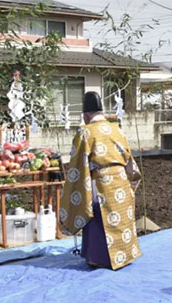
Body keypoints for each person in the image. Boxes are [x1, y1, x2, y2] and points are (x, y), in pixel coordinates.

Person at [59, 91, 142, 270]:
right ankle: (125, 255)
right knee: (121, 218)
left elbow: (77, 164)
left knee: (97, 215)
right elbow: (129, 159)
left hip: (101, 180)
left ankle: (98, 258)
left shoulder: (85, 132)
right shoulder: (117, 128)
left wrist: (74, 186)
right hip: (121, 180)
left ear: (86, 115)